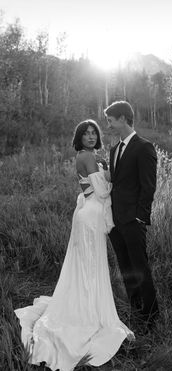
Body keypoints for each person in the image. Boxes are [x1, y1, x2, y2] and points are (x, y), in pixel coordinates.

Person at [14, 119, 134, 371]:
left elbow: (101, 180)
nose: (90, 136)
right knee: (89, 266)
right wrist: (115, 179)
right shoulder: (87, 157)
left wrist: (109, 172)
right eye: (86, 133)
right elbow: (102, 191)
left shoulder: (93, 155)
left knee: (88, 266)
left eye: (94, 133)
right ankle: (87, 314)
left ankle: (89, 307)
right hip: (90, 215)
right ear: (79, 138)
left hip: (90, 214)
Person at [104, 101, 159, 330]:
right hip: (116, 221)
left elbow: (148, 187)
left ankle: (151, 318)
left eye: (111, 121)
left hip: (133, 221)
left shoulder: (144, 147)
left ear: (123, 119)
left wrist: (140, 217)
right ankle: (136, 310)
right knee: (126, 268)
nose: (108, 126)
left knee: (140, 267)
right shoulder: (114, 149)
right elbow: (116, 183)